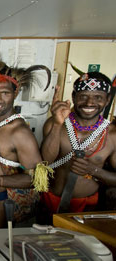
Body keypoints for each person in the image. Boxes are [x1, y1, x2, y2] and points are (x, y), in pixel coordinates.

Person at [0, 57, 52, 229]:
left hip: (1, 199)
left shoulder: (19, 132)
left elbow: (38, 180)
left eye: (5, 93)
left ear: (15, 94)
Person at [40, 70, 116, 223]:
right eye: (83, 96)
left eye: (98, 97)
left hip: (86, 207)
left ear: (107, 100)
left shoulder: (112, 134)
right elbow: (44, 161)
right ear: (74, 97)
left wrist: (93, 170)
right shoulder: (56, 123)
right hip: (49, 200)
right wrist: (56, 124)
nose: (89, 103)